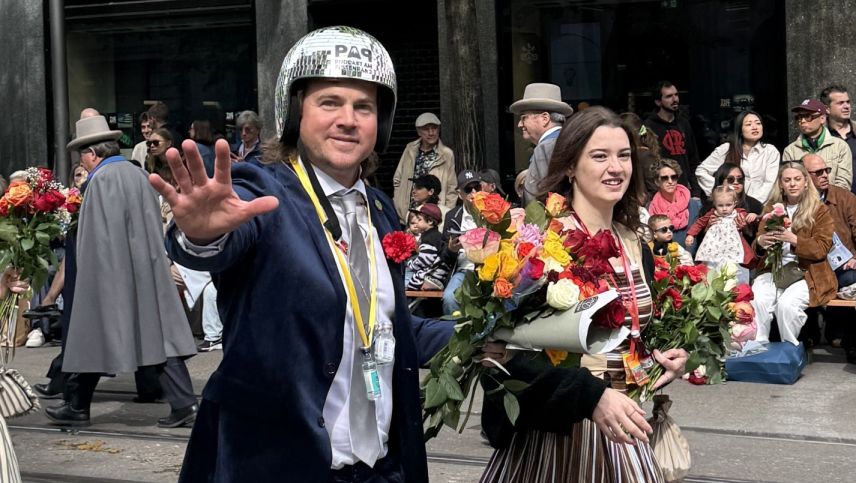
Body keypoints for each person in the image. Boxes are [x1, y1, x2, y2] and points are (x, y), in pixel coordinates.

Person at [154, 26, 453, 482]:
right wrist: (200, 236)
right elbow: (221, 241)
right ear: (296, 112)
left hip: (379, 466)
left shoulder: (380, 210)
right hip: (279, 463)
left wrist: (475, 334)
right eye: (329, 102)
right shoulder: (263, 189)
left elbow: (379, 321)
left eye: (364, 107)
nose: (348, 119)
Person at [479, 106, 688, 482]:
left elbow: (633, 338)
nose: (616, 167)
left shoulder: (634, 241)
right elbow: (503, 355)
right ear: (571, 167)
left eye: (623, 156)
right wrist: (587, 396)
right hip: (556, 438)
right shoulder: (540, 240)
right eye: (600, 156)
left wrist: (663, 362)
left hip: (624, 430)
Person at [44, 115, 198, 428]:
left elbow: (99, 238)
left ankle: (77, 406)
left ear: (91, 153)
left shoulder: (101, 180)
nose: (83, 163)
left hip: (112, 273)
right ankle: (182, 403)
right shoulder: (136, 173)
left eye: (82, 157)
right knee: (158, 336)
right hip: (147, 267)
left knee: (93, 336)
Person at [752, 162, 837, 345]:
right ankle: (758, 349)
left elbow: (822, 248)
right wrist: (760, 242)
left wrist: (794, 240)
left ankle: (789, 349)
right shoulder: (771, 208)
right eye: (787, 180)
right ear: (781, 184)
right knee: (759, 300)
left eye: (797, 179)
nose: (792, 184)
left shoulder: (819, 210)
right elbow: (758, 240)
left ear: (806, 182)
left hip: (806, 272)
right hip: (772, 269)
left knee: (787, 306)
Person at [802, 154, 856, 356]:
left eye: (826, 171)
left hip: (843, 264)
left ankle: (846, 335)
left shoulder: (845, 198)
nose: (825, 175)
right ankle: (808, 334)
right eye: (818, 173)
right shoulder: (796, 201)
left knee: (851, 278)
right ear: (805, 176)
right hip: (810, 264)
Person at [696, 111, 780, 202]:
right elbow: (701, 171)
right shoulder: (727, 149)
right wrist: (721, 192)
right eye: (749, 124)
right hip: (729, 207)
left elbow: (769, 183)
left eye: (758, 123)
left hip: (759, 207)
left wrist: (753, 204)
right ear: (740, 130)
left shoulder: (770, 151)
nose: (755, 127)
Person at [511, 83, 573, 204]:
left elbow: (540, 200)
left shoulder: (547, 147)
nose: (519, 124)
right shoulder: (566, 141)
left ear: (545, 118)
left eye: (524, 118)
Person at [392, 112, 457, 224]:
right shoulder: (410, 149)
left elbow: (452, 188)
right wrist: (399, 202)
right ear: (418, 131)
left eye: (434, 128)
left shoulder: (446, 154)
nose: (431, 133)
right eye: (426, 129)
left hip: (432, 216)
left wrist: (445, 213)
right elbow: (397, 179)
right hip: (408, 213)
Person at [686, 186, 756, 284]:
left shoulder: (738, 213)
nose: (724, 209)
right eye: (720, 205)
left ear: (734, 204)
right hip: (713, 248)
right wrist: (691, 235)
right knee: (712, 268)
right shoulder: (713, 214)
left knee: (733, 269)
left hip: (732, 248)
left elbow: (749, 219)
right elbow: (699, 223)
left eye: (728, 205)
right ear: (714, 204)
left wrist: (752, 216)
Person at [644, 81, 703, 197]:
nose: (675, 99)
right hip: (661, 191)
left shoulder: (684, 124)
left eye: (676, 95)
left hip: (685, 189)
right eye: (669, 96)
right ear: (658, 102)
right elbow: (646, 164)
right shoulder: (648, 126)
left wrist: (696, 191)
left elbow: (693, 159)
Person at [782, 99, 852, 190]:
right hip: (802, 202)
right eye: (799, 117)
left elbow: (843, 184)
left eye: (808, 116)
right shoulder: (790, 150)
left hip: (832, 202)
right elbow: (788, 183)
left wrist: (826, 201)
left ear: (822, 118)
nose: (802, 121)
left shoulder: (840, 146)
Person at [439, 169, 483, 315]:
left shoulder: (493, 211)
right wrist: (451, 249)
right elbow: (444, 257)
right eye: (468, 189)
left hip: (491, 268)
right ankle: (453, 334)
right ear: (460, 194)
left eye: (477, 187)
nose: (474, 192)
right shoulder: (453, 216)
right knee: (450, 298)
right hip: (464, 270)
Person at [647, 158, 700, 246]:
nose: (670, 181)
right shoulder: (651, 208)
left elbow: (696, 236)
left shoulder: (692, 204)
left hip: (690, 255)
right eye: (665, 178)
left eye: (673, 177)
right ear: (657, 181)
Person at [820, 85, 856, 193]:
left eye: (848, 102)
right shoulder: (821, 137)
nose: (846, 106)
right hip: (835, 203)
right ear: (827, 109)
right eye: (840, 103)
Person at [404, 203, 448, 291]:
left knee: (400, 281)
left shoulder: (430, 238)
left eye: (419, 219)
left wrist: (410, 264)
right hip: (433, 275)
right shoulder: (435, 235)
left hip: (430, 277)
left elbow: (424, 261)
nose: (416, 222)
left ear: (430, 221)